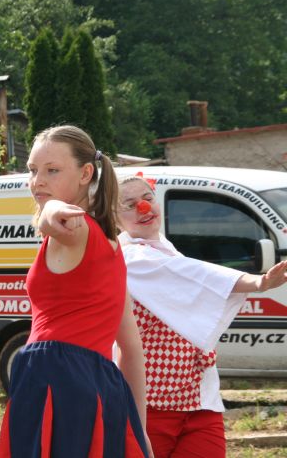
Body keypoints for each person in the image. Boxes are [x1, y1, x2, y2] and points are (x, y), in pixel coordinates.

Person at [0, 125, 151, 457]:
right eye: (33, 170)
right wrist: (139, 431)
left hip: (56, 380)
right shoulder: (111, 246)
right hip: (96, 386)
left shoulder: (75, 227)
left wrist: (50, 214)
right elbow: (130, 348)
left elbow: (55, 217)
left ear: (85, 174)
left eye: (52, 170)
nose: (38, 181)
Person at [117, 175, 287, 458]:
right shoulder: (130, 258)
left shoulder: (168, 251)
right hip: (150, 405)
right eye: (130, 204)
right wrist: (257, 283)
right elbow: (193, 275)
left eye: (147, 199)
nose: (143, 208)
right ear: (114, 217)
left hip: (199, 403)